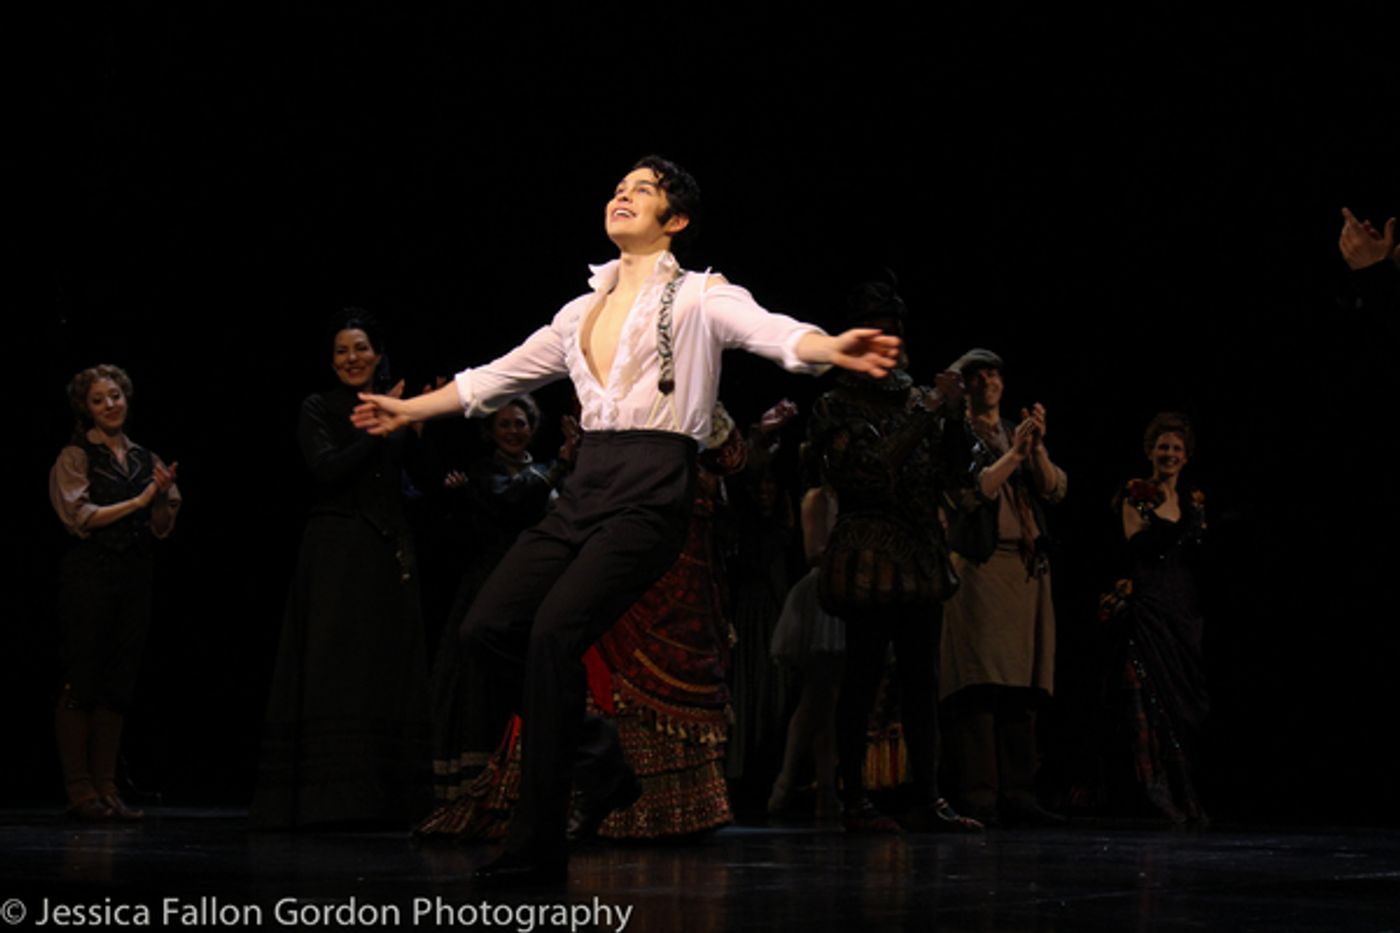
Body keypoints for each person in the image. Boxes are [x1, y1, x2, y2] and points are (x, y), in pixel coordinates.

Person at [352, 155, 900, 882]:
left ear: (675, 220)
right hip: (587, 484)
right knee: (487, 628)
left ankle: (536, 848)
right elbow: (496, 377)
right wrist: (406, 410)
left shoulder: (700, 296)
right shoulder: (579, 312)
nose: (622, 195)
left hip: (653, 485)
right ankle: (597, 753)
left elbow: (769, 330)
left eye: (643, 190)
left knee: (554, 633)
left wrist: (828, 346)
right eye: (618, 187)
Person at [807, 277, 981, 834]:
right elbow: (868, 472)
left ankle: (926, 797)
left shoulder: (916, 399)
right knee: (862, 678)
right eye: (878, 332)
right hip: (870, 556)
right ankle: (854, 798)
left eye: (896, 333)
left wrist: (954, 418)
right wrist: (930, 410)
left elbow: (956, 474)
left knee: (922, 681)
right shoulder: (835, 405)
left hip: (921, 556)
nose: (891, 343)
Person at [252, 314, 431, 829]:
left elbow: (419, 487)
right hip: (336, 550)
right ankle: (328, 802)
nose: (351, 358)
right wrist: (381, 427)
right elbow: (327, 470)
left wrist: (416, 430)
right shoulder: (320, 406)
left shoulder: (397, 407)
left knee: (383, 668)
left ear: (378, 354)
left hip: (386, 548)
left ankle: (388, 801)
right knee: (335, 669)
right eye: (341, 351)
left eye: (360, 348)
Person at [939, 348, 1067, 826]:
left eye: (994, 374)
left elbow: (1054, 489)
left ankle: (1019, 794)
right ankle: (980, 795)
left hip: (1026, 570)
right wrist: (1014, 455)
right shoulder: (956, 435)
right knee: (981, 685)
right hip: (982, 567)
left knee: (1022, 688)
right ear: (965, 386)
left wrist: (1037, 449)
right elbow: (972, 493)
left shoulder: (1017, 431)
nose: (988, 381)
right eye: (978, 375)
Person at [427, 395, 576, 801]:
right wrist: (560, 464)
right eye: (504, 425)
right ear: (491, 432)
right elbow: (513, 504)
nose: (513, 431)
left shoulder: (544, 470)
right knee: (483, 680)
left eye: (520, 423)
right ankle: (485, 783)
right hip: (492, 585)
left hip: (537, 588)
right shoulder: (485, 473)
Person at [49, 364, 180, 820]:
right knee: (82, 675)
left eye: (115, 396)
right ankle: (79, 789)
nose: (110, 405)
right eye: (98, 399)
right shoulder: (76, 455)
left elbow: (161, 526)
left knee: (118, 681)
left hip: (134, 575)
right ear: (86, 408)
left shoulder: (145, 457)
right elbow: (79, 516)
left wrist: (159, 498)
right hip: (90, 575)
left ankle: (106, 788)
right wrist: (138, 501)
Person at [1098, 412, 1209, 825]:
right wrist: (1168, 521)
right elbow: (1137, 543)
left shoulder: (1193, 501)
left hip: (1182, 606)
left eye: (1177, 448)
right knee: (1146, 701)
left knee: (1183, 704)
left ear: (1186, 456)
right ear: (1150, 451)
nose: (1169, 454)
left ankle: (1185, 795)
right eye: (1163, 446)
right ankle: (1151, 797)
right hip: (1149, 605)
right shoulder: (1137, 493)